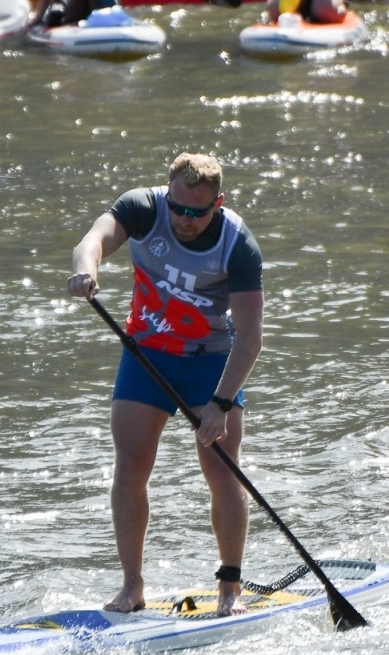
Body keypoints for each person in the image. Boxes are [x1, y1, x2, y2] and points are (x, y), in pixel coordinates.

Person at [67, 153, 264, 618]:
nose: (184, 219)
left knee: (222, 471)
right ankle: (132, 586)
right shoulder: (142, 208)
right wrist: (86, 270)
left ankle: (230, 587)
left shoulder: (238, 244)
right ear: (167, 193)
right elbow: (92, 240)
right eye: (178, 208)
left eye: (197, 212)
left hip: (211, 363)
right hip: (147, 355)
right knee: (131, 466)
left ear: (218, 203)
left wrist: (220, 402)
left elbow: (252, 336)